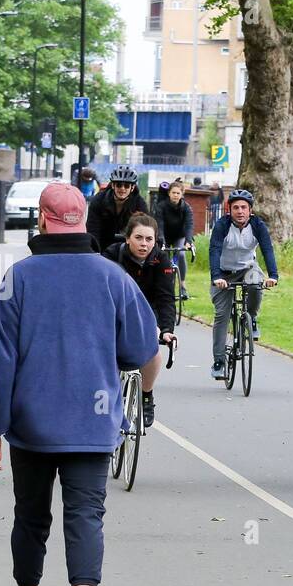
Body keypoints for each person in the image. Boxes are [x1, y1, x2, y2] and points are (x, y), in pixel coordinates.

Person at [0, 184, 158, 586]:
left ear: (42, 219)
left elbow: (1, 358)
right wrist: (141, 392)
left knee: (31, 517)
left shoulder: (19, 277)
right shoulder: (113, 276)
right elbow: (144, 351)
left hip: (32, 424)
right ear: (81, 220)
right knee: (86, 518)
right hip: (93, 422)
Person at [103, 212, 177, 427]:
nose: (144, 244)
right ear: (127, 238)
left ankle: (146, 396)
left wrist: (166, 329)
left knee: (152, 350)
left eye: (149, 239)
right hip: (114, 312)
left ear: (155, 241)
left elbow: (166, 298)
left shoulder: (161, 260)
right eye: (138, 238)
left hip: (146, 315)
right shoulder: (111, 256)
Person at [206, 188, 278, 379]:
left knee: (256, 282)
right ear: (229, 210)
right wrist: (216, 277)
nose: (240, 211)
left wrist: (273, 275)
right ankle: (219, 362)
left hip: (247, 269)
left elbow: (267, 250)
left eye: (243, 208)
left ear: (250, 210)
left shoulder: (257, 225)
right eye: (236, 207)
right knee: (221, 316)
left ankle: (251, 318)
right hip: (223, 274)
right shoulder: (222, 226)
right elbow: (214, 250)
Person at [86, 165, 148, 252]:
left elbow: (145, 228)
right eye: (119, 185)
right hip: (103, 244)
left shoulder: (139, 203)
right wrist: (96, 253)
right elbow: (92, 230)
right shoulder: (98, 200)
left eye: (126, 186)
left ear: (132, 188)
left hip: (128, 246)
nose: (122, 189)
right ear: (113, 185)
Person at [153, 178, 194, 287]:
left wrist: (188, 241)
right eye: (173, 193)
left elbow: (189, 225)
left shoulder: (186, 207)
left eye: (178, 193)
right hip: (164, 236)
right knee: (163, 257)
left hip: (179, 236)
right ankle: (164, 284)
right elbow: (159, 225)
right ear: (169, 193)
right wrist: (161, 240)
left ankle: (182, 284)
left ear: (182, 194)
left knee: (180, 255)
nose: (175, 195)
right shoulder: (161, 207)